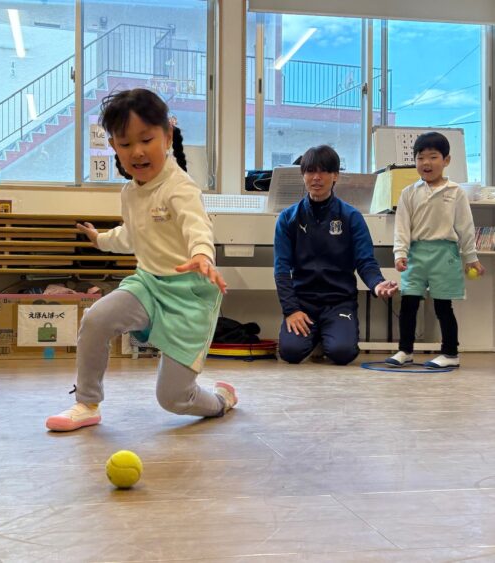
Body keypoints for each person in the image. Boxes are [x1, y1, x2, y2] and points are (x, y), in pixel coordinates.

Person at [46, 89, 236, 432]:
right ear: (114, 147)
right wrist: (100, 240)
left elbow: (197, 227)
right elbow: (132, 234)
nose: (136, 151)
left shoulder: (180, 188)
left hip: (188, 295)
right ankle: (87, 403)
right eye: (125, 143)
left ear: (167, 136)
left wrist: (201, 255)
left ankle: (221, 400)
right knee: (96, 319)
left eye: (146, 139)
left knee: (174, 398)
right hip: (148, 284)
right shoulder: (130, 192)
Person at [274, 145, 398, 365]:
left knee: (342, 353)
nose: (317, 177)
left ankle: (328, 334)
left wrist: (377, 284)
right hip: (303, 302)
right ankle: (317, 335)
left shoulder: (351, 216)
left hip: (339, 301)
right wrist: (291, 310)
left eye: (324, 171)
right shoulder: (287, 218)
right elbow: (281, 268)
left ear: (335, 176)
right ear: (303, 175)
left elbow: (365, 261)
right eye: (310, 171)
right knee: (290, 353)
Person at [385, 132, 485, 369]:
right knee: (408, 303)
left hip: (445, 254)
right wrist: (400, 253)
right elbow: (402, 227)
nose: (426, 163)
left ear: (446, 160)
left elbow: (465, 227)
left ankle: (450, 353)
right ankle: (405, 350)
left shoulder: (456, 192)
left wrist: (471, 258)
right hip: (415, 255)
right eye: (420, 158)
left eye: (433, 157)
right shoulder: (409, 192)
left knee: (443, 306)